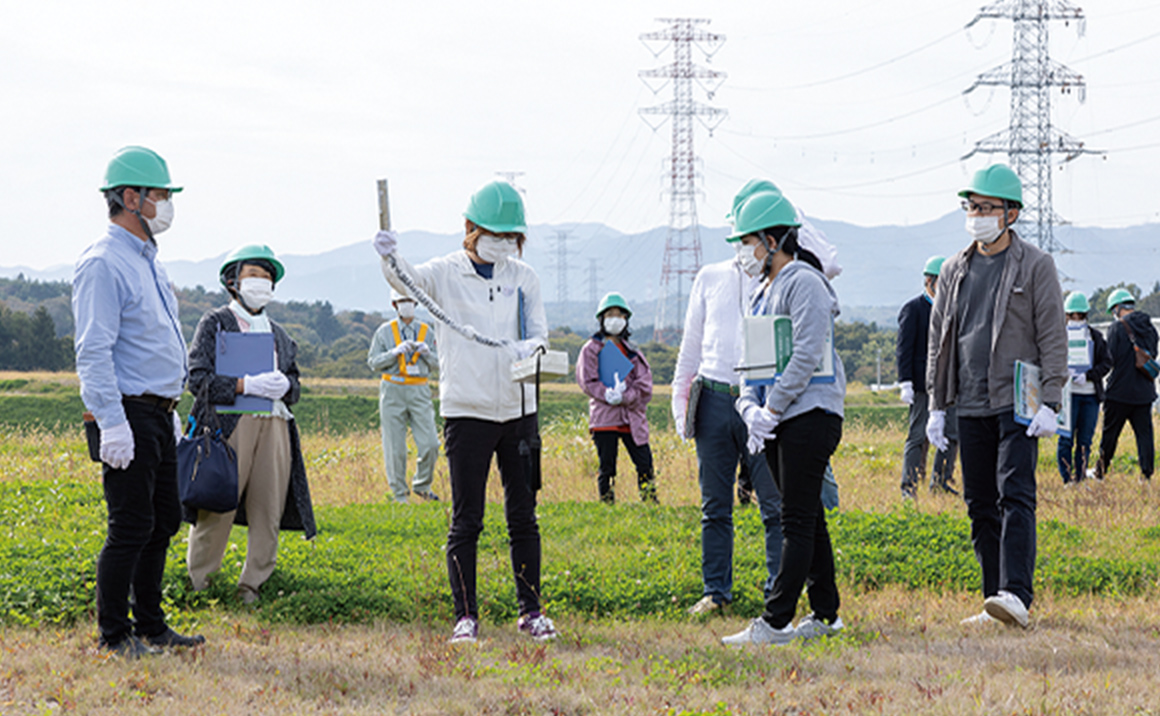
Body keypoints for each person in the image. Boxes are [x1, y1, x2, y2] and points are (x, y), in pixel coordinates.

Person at [373, 180, 557, 643]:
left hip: (519, 410)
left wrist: (528, 347)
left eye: (511, 235)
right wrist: (388, 258)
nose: (504, 242)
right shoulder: (447, 272)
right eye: (494, 232)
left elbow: (540, 334)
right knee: (467, 518)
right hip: (467, 411)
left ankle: (530, 611)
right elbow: (406, 280)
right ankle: (466, 616)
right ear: (471, 229)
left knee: (523, 515)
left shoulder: (524, 277)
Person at [73, 146, 203, 657]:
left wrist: (169, 410)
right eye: (161, 196)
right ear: (131, 198)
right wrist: (112, 423)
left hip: (158, 412)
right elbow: (94, 349)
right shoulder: (104, 263)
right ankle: (114, 633)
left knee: (164, 518)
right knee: (129, 525)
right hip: (125, 412)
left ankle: (151, 624)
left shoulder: (147, 262)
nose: (167, 206)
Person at [926, 164, 1067, 628]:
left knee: (1015, 493)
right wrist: (935, 405)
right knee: (979, 501)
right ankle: (993, 599)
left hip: (1017, 399)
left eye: (986, 207)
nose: (977, 215)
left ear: (1011, 214)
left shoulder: (1036, 265)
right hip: (968, 398)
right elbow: (938, 339)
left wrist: (1052, 400)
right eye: (971, 207)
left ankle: (1017, 595)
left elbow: (1052, 335)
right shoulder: (953, 269)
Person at [723, 189, 847, 646]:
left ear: (772, 240)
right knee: (809, 516)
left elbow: (808, 351)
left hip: (808, 414)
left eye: (747, 242)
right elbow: (750, 361)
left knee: (794, 518)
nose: (744, 253)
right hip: (777, 419)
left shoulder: (803, 283)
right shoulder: (761, 292)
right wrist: (749, 407)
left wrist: (772, 407)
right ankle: (826, 613)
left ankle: (776, 620)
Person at [672, 180, 784, 618]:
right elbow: (691, 346)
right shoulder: (711, 277)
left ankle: (778, 589)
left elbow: (828, 263)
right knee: (714, 505)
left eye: (751, 239)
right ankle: (716, 590)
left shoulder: (785, 280)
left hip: (761, 400)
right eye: (738, 239)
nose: (743, 247)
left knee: (773, 504)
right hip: (716, 398)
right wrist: (682, 404)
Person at [185, 245, 316, 605]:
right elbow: (198, 379)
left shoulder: (279, 332)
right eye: (253, 275)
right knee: (218, 505)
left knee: (268, 507)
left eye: (267, 277)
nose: (261, 283)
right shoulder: (215, 322)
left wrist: (286, 386)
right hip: (230, 425)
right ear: (233, 281)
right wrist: (244, 385)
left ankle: (252, 585)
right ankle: (201, 583)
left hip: (274, 424)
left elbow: (295, 382)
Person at [576, 292, 657, 503]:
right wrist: (606, 394)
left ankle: (649, 501)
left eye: (620, 315)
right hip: (605, 418)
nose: (615, 319)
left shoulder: (633, 352)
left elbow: (645, 386)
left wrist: (625, 396)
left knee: (645, 464)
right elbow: (588, 380)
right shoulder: (591, 349)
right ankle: (607, 504)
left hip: (632, 418)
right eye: (610, 314)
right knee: (607, 467)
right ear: (602, 318)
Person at [367, 290, 440, 503]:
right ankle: (400, 494)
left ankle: (422, 485)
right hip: (392, 388)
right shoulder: (384, 332)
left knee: (430, 444)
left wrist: (428, 354)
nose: (406, 305)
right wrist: (393, 353)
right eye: (401, 301)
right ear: (394, 304)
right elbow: (373, 362)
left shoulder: (427, 332)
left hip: (419, 389)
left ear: (416, 302)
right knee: (395, 447)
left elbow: (440, 364)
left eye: (409, 301)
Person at [897, 256, 959, 498]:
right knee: (917, 435)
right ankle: (908, 487)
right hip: (923, 385)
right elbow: (904, 349)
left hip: (950, 384)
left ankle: (941, 482)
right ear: (929, 281)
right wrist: (906, 382)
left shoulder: (953, 310)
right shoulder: (913, 309)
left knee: (951, 435)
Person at [1095, 288, 1157, 481]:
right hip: (1144, 391)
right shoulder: (1150, 327)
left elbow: (1110, 359)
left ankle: (1100, 473)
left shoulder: (1116, 328)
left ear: (1117, 308)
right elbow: (1152, 355)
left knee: (1110, 435)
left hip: (1119, 392)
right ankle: (1146, 475)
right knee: (1144, 436)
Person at [1057, 291, 1111, 484]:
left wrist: (1088, 376)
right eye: (1072, 315)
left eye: (1080, 315)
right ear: (1066, 315)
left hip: (1090, 396)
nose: (1076, 319)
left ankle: (1079, 479)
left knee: (1085, 441)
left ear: (1086, 315)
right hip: (1068, 396)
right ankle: (1067, 479)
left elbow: (1106, 363)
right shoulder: (1059, 336)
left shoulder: (1095, 337)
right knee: (1065, 438)